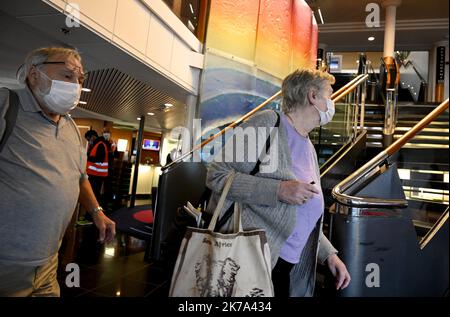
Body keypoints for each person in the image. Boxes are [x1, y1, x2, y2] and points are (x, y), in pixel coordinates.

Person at [205, 68, 351, 297]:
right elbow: (217, 175)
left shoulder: (308, 146)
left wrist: (328, 255)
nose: (332, 103)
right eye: (329, 95)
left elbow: (302, 215)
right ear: (312, 96)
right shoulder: (266, 124)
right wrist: (278, 190)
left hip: (284, 267)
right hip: (249, 259)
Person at [0, 47, 116, 297]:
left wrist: (97, 212)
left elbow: (80, 176)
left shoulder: (70, 126)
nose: (76, 84)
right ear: (34, 74)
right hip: (7, 264)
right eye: (68, 75)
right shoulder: (6, 106)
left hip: (48, 262)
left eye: (80, 78)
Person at [84, 129, 109, 208]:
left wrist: (88, 158)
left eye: (89, 139)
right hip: (95, 174)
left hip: (97, 175)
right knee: (93, 194)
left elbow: (99, 159)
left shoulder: (100, 144)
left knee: (94, 195)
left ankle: (92, 215)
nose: (89, 141)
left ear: (93, 137)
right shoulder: (97, 144)